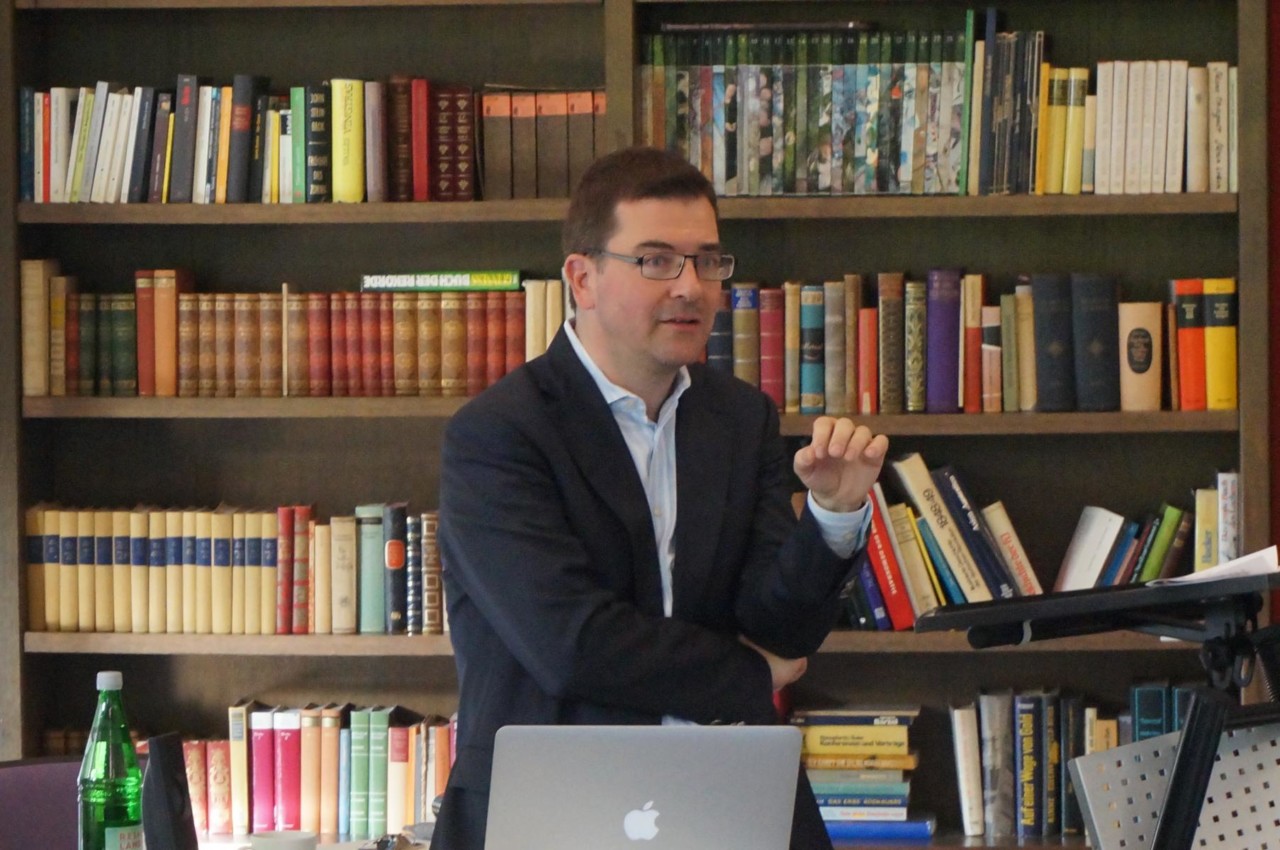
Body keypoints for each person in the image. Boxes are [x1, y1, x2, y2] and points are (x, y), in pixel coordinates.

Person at [431, 146, 889, 850]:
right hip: (554, 806)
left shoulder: (742, 418)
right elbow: (571, 644)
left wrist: (832, 516)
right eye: (656, 261)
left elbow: (780, 628)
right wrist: (747, 673)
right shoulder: (498, 434)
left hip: (728, 796)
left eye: (707, 261)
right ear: (582, 279)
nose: (691, 287)